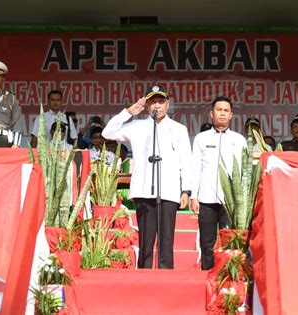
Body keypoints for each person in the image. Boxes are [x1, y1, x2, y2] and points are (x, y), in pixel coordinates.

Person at [102, 85, 192, 269]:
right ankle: (144, 275)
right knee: (146, 241)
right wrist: (128, 112)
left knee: (166, 241)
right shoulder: (137, 126)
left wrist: (186, 190)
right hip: (143, 190)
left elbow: (186, 161)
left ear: (167, 104)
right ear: (146, 105)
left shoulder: (178, 129)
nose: (156, 105)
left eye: (160, 101)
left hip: (169, 190)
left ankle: (166, 278)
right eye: (152, 102)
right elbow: (107, 133)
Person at [190, 96, 247, 270]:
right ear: (211, 114)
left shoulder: (239, 140)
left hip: (230, 200)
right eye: (219, 110)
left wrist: (241, 200)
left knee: (228, 241)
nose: (222, 113)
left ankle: (226, 278)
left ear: (231, 115)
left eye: (226, 111)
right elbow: (196, 168)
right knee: (207, 243)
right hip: (206, 198)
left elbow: (244, 173)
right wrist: (194, 196)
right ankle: (206, 275)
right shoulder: (201, 138)